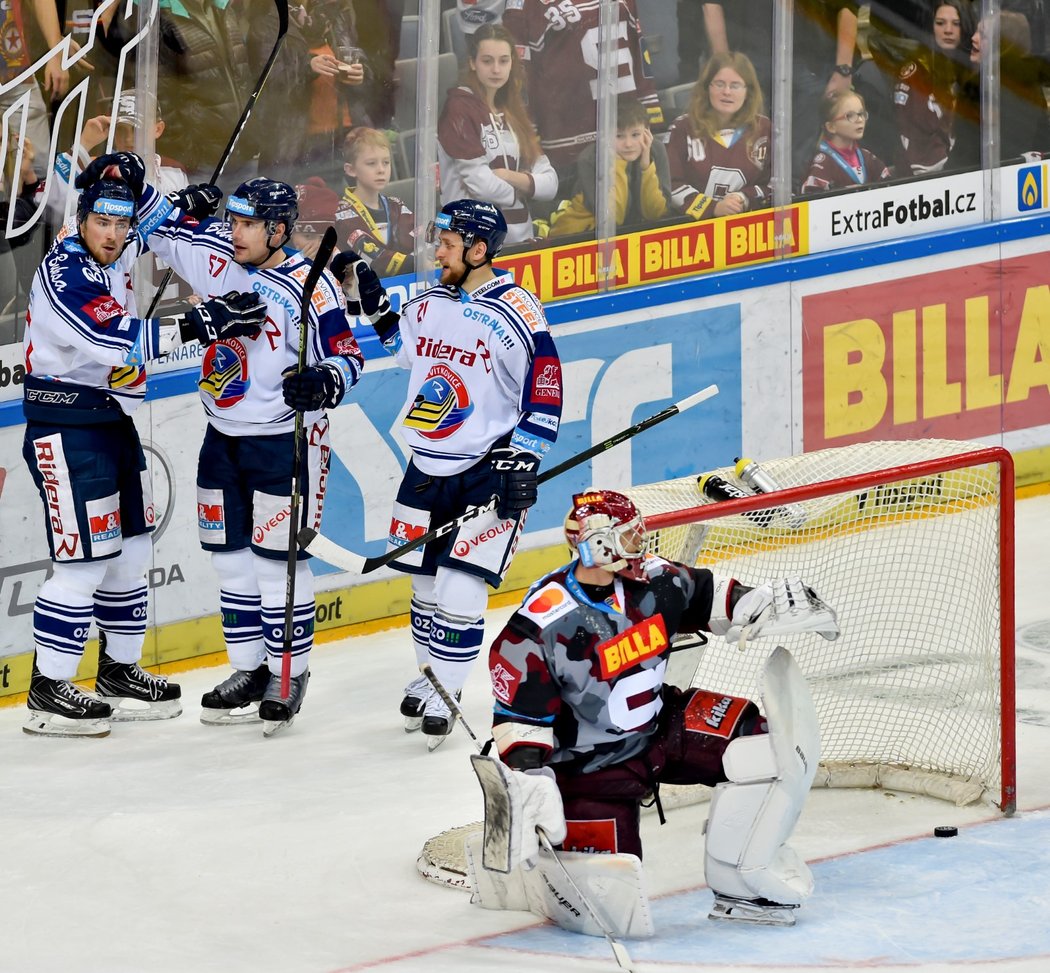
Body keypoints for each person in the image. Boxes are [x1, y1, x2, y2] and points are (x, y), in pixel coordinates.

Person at [482, 489, 839, 925]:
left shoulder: (655, 579)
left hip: (660, 727)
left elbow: (708, 595)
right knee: (610, 910)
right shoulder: (541, 625)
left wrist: (755, 601)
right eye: (630, 535)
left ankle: (741, 882)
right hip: (592, 770)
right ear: (600, 546)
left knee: (767, 743)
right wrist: (529, 779)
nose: (641, 542)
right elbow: (520, 720)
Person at [20, 152, 268, 737]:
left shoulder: (118, 240)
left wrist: (180, 203)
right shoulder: (66, 273)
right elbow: (119, 341)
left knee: (130, 549)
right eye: (102, 222)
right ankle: (49, 689)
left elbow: (151, 225)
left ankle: (117, 671)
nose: (113, 234)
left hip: (109, 419)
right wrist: (208, 323)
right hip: (64, 424)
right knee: (84, 560)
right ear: (81, 220)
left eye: (121, 223)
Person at [140, 170, 365, 732]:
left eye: (248, 224)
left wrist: (325, 382)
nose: (235, 231)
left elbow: (348, 357)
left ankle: (288, 673)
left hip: (283, 439)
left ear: (279, 229)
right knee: (229, 556)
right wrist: (176, 201)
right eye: (233, 220)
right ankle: (247, 669)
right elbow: (146, 225)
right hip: (222, 435)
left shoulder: (311, 286)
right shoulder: (214, 252)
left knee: (278, 560)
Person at [333, 198, 562, 749]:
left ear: (479, 250)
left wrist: (525, 458)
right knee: (425, 585)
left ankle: (449, 689)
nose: (437, 251)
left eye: (448, 243)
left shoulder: (517, 310)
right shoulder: (431, 298)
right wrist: (375, 307)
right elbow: (403, 347)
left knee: (462, 587)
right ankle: (430, 674)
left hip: (487, 472)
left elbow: (545, 384)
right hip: (423, 468)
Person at [501, 0, 663, 192]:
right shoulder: (522, 6)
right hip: (567, 151)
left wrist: (653, 121)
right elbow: (520, 76)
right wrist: (529, 138)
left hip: (628, 141)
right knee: (578, 219)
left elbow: (639, 53)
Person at [437, 23, 558, 247]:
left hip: (521, 242)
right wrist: (525, 190)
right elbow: (480, 184)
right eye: (487, 61)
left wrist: (509, 176)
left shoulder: (514, 111)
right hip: (470, 244)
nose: (496, 69)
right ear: (472, 63)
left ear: (512, 63)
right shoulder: (459, 107)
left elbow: (550, 183)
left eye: (503, 61)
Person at [666, 51, 770, 220]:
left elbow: (778, 185)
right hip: (690, 235)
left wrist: (744, 198)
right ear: (707, 88)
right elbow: (669, 184)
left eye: (735, 85)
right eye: (719, 84)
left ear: (748, 91)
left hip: (749, 232)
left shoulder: (764, 129)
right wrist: (712, 208)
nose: (727, 92)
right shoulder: (682, 128)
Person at [548, 95, 670, 237]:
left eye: (635, 134)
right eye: (619, 136)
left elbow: (656, 213)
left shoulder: (655, 150)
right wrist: (616, 163)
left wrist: (646, 166)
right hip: (580, 237)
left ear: (647, 132)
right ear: (606, 136)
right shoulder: (589, 159)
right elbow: (612, 219)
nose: (628, 144)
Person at [892, 1, 976, 176]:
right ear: (931, 27)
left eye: (956, 24)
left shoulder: (973, 70)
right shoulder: (915, 74)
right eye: (940, 23)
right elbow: (917, 142)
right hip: (928, 182)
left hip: (966, 169)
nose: (948, 30)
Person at [335, 127, 416, 276]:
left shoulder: (396, 205)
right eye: (371, 163)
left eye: (386, 162)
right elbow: (376, 261)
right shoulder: (343, 214)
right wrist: (421, 262)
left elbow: (421, 240)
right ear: (351, 170)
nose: (381, 170)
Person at [801, 90, 892, 193]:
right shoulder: (822, 163)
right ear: (831, 126)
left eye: (861, 114)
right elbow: (812, 204)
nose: (860, 120)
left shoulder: (868, 157)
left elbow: (891, 189)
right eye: (850, 116)